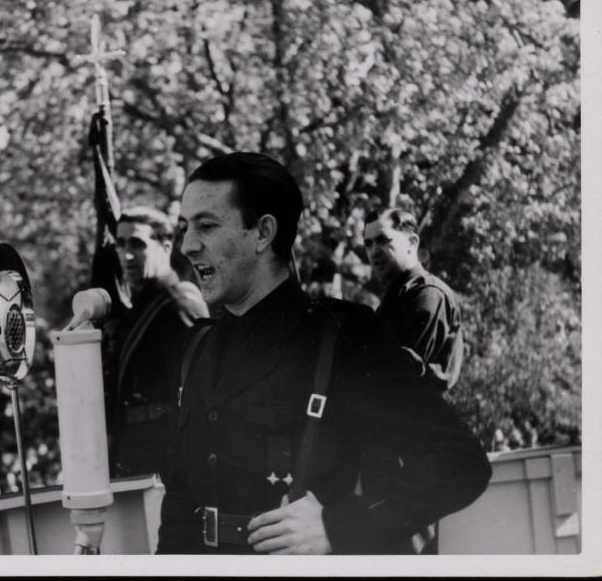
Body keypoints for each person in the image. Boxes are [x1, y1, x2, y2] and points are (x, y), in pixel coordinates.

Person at [157, 152, 491, 554]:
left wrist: (341, 525)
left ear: (263, 233)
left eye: (206, 226)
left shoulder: (342, 337)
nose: (188, 245)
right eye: (184, 228)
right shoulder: (195, 348)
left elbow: (460, 463)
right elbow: (179, 502)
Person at [103, 206, 208, 478]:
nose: (126, 255)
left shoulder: (178, 304)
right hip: (134, 450)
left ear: (165, 246)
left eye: (137, 244)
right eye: (121, 244)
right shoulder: (135, 310)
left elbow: (204, 394)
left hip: (168, 458)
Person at [363, 208, 463, 391]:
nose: (373, 251)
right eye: (368, 244)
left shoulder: (429, 294)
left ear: (412, 242)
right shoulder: (399, 294)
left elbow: (398, 378)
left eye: (383, 240)